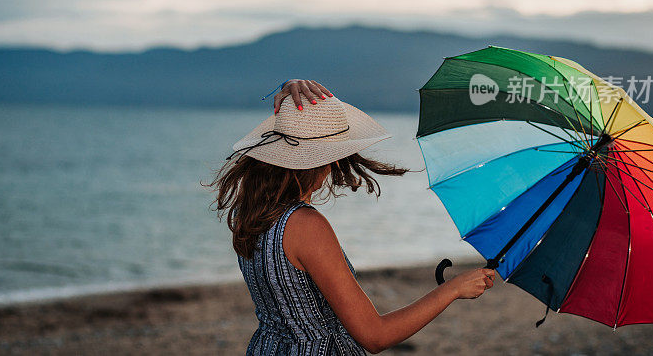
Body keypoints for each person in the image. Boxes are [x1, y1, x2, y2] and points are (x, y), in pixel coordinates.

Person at [206, 79, 495, 355]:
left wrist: (291, 85)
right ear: (327, 160)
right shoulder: (305, 226)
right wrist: (454, 289)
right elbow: (375, 336)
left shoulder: (253, 214)